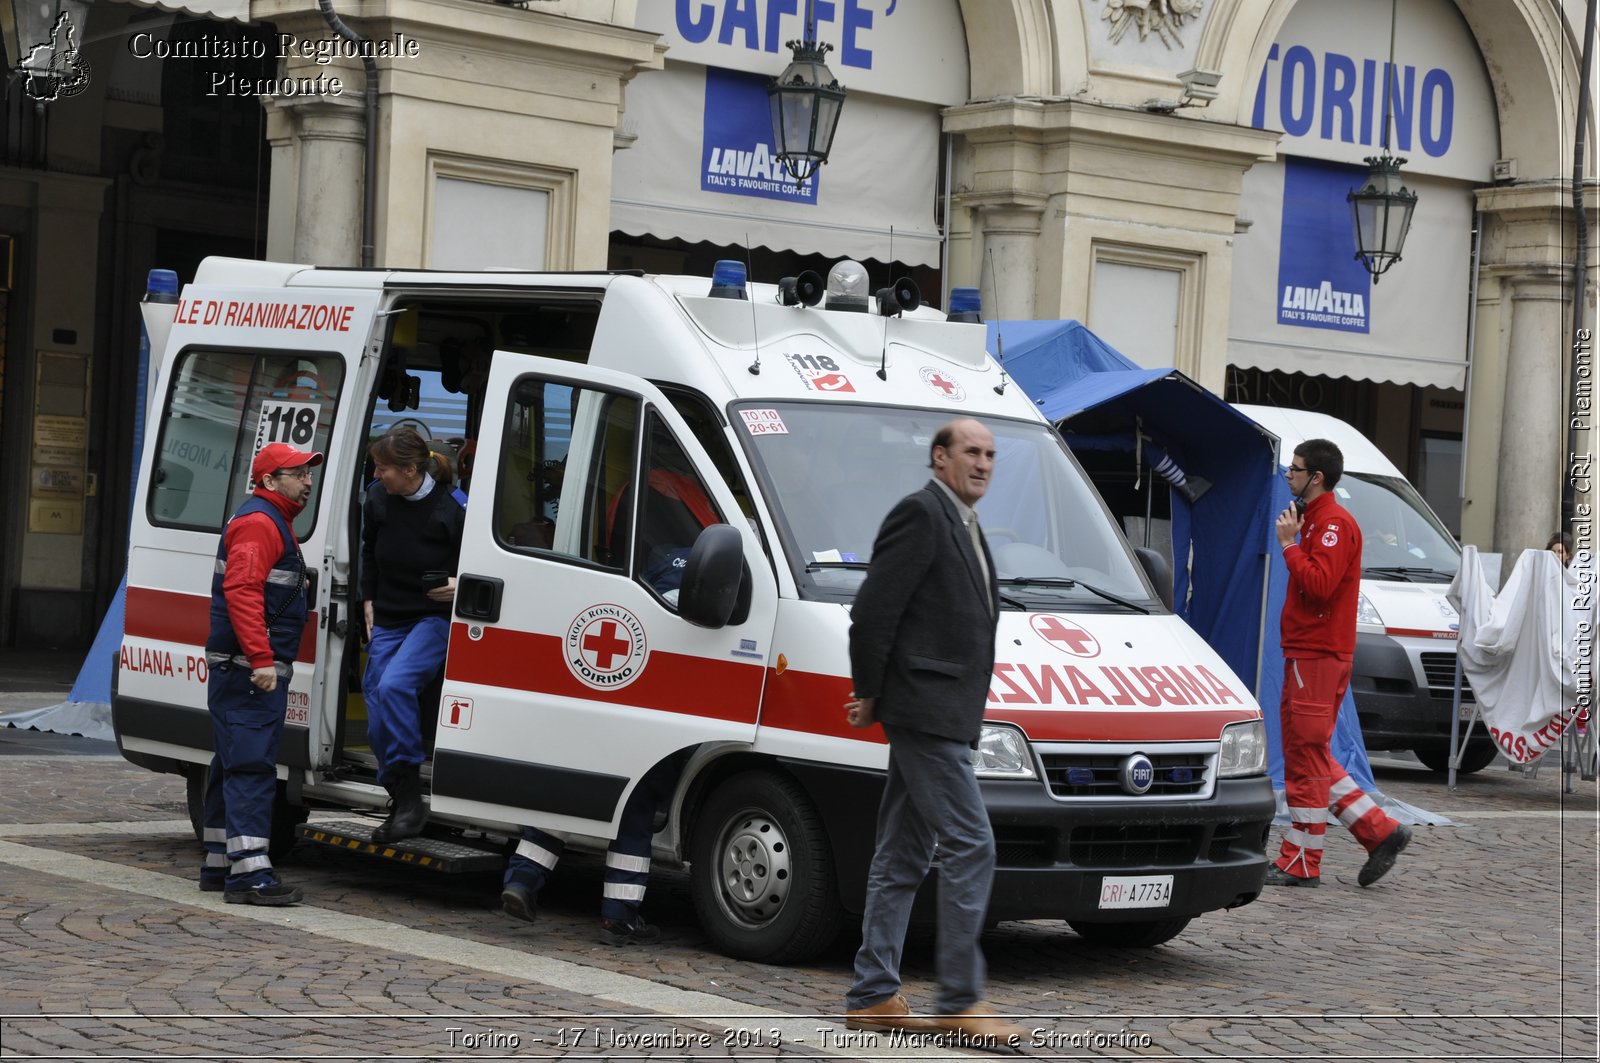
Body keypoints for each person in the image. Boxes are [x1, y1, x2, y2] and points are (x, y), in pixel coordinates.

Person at [840, 417, 1026, 1049]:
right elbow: (873, 610)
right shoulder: (922, 514)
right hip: (923, 712)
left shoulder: (966, 523)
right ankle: (958, 1001)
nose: (983, 463)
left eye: (991, 454)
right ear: (940, 458)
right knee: (972, 845)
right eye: (970, 452)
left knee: (902, 856)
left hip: (942, 712)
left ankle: (872, 996)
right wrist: (869, 691)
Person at [1268, 438, 1413, 889]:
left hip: (1317, 653)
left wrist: (1290, 546)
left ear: (1317, 477)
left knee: (1307, 754)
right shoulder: (1317, 521)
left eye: (1295, 469)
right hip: (1307, 651)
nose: (1288, 474)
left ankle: (1304, 859)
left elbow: (1321, 585)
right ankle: (1375, 831)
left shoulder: (1331, 523)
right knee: (1306, 752)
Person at [200, 441, 322, 906]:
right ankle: (249, 876)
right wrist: (261, 659)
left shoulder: (266, 520)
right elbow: (244, 590)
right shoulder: (260, 524)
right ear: (270, 481)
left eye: (308, 473)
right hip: (248, 669)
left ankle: (219, 862)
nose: (307, 481)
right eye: (297, 473)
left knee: (230, 761)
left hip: (238, 666)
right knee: (250, 766)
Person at [360, 426, 466, 842]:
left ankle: (408, 799)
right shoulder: (377, 498)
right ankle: (401, 796)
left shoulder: (453, 507)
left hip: (432, 618)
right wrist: (368, 599)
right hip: (387, 615)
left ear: (408, 470)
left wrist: (461, 582)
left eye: (383, 468)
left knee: (396, 685)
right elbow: (369, 551)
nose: (376, 473)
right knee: (376, 712)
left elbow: (479, 561)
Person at [500, 754, 685, 945]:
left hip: (590, 741)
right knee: (632, 824)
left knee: (560, 804)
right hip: (641, 748)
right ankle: (618, 918)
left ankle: (522, 881)